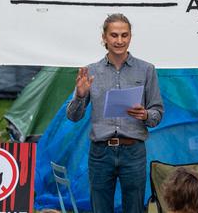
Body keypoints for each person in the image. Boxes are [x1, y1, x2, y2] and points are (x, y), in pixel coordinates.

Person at [67, 13, 164, 213]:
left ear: (130, 37)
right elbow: (73, 116)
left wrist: (145, 114)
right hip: (100, 153)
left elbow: (157, 113)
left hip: (133, 152)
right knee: (100, 208)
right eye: (114, 35)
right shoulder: (90, 72)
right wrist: (79, 95)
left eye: (124, 35)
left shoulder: (147, 70)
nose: (119, 40)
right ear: (104, 38)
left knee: (134, 209)